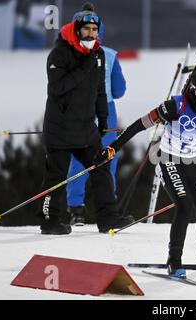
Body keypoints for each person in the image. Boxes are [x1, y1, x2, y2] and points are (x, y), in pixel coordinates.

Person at [94, 64, 196, 277]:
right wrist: (113, 148)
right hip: (169, 160)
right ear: (192, 90)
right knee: (184, 207)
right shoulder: (173, 107)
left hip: (195, 161)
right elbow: (139, 125)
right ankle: (174, 260)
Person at [38, 5, 130, 235]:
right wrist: (84, 68)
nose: (91, 34)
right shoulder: (59, 53)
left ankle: (109, 218)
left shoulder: (97, 54)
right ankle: (50, 221)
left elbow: (99, 90)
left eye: (94, 29)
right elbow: (57, 88)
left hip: (86, 128)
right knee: (56, 177)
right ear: (77, 29)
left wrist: (102, 120)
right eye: (87, 29)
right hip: (60, 127)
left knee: (101, 166)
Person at [66, 3, 129, 226]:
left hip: (76, 112)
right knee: (107, 159)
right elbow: (120, 90)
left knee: (78, 160)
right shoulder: (109, 55)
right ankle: (108, 211)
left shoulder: (66, 53)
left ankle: (75, 209)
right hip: (107, 113)